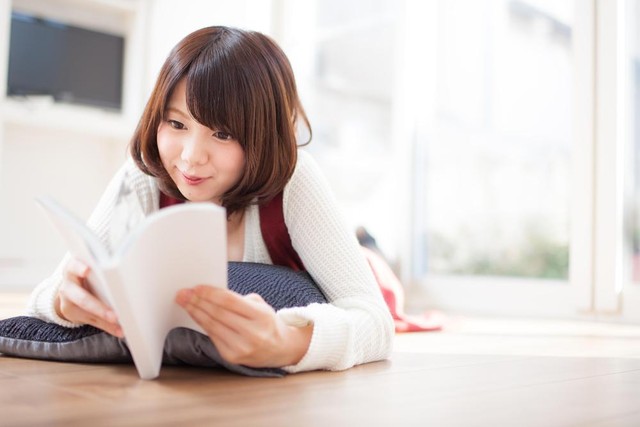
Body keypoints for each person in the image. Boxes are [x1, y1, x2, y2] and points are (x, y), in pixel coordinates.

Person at [26, 26, 394, 372]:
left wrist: (287, 342)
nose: (190, 157)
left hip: (351, 264)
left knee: (380, 275)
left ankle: (368, 245)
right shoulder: (143, 178)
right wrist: (66, 300)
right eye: (176, 124)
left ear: (263, 136)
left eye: (221, 133)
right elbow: (44, 298)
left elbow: (375, 320)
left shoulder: (294, 179)